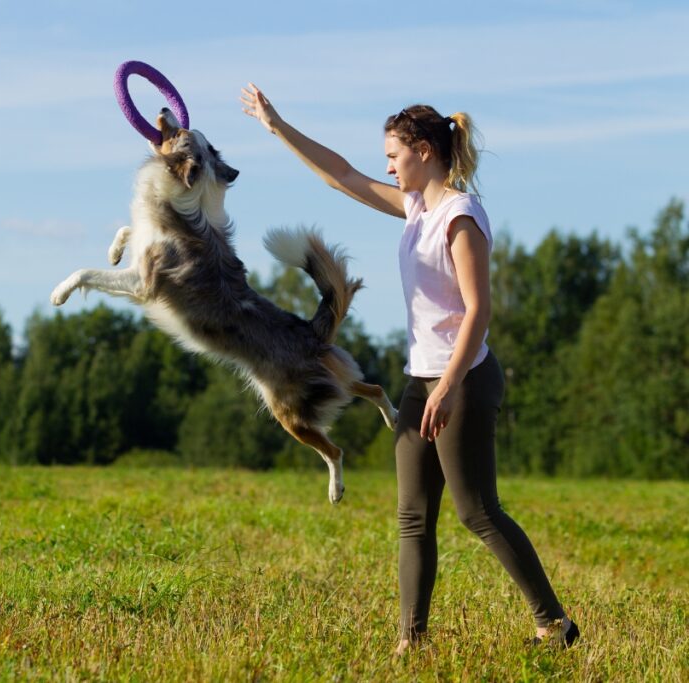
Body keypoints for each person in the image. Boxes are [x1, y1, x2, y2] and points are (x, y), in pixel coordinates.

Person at [239, 83, 579, 655]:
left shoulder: (460, 216)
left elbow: (479, 310)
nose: (388, 166)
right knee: (413, 516)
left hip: (463, 380)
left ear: (424, 150)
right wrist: (277, 126)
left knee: (477, 510)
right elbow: (341, 175)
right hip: (422, 378)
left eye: (394, 156)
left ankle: (555, 624)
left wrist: (447, 387)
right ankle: (411, 641)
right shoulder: (416, 207)